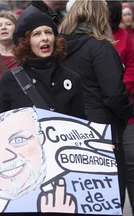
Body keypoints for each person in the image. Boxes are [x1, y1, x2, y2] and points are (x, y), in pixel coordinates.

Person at [58, 0, 133, 208]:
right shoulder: (100, 48)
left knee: (77, 199)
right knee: (106, 198)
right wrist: (126, 113)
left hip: (67, 131)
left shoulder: (59, 48)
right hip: (102, 133)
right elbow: (114, 95)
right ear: (100, 16)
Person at [0, 11, 85, 120]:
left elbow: (80, 124)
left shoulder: (72, 78)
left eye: (48, 32)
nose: (44, 38)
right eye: (36, 34)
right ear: (27, 42)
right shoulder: (10, 79)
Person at [107, 1, 134, 214]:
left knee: (131, 163)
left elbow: (132, 67)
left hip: (126, 108)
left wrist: (117, 88)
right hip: (101, 112)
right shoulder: (92, 38)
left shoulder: (126, 37)